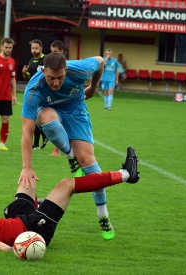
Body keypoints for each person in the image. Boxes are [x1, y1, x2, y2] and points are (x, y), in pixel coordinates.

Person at [0, 147, 140, 251]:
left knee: (27, 180)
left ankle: (37, 207)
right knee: (67, 184)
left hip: (17, 218)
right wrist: (29, 248)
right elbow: (3, 247)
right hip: (31, 229)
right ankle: (125, 175)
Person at [19, 53, 118, 241]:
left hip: (76, 112)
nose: (56, 83)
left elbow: (100, 61)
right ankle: (69, 154)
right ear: (43, 71)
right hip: (52, 114)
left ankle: (103, 215)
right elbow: (27, 132)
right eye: (51, 78)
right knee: (44, 116)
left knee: (88, 162)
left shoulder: (79, 69)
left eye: (60, 78)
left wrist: (93, 87)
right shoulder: (34, 88)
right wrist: (27, 167)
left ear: (66, 70)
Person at [22, 39, 48, 150]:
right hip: (33, 92)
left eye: (36, 48)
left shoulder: (46, 59)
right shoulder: (31, 60)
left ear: (41, 48)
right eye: (32, 48)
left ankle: (43, 137)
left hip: (44, 92)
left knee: (40, 118)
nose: (34, 50)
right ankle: (38, 142)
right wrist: (24, 72)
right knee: (34, 118)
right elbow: (27, 77)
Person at [49, 40, 66, 157]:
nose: (53, 55)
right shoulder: (50, 65)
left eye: (55, 52)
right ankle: (58, 150)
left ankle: (60, 150)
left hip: (66, 101)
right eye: (51, 52)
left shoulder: (68, 66)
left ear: (62, 51)